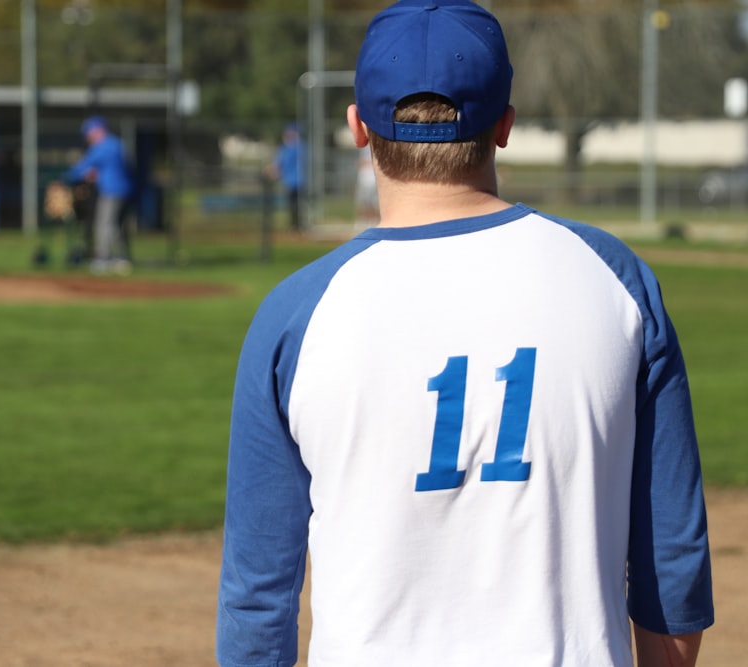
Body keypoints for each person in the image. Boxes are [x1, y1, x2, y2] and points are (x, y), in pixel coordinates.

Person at [216, 2, 714, 666]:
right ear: (505, 124)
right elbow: (671, 570)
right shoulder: (616, 280)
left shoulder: (297, 314)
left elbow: (258, 602)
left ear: (357, 128)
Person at [62, 116, 133, 274]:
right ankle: (121, 259)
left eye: (90, 133)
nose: (89, 137)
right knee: (115, 225)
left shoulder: (104, 146)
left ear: (98, 130)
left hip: (112, 190)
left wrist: (64, 177)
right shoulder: (117, 144)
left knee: (104, 224)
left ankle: (103, 259)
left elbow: (83, 167)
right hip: (123, 189)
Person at [267, 122, 306, 232]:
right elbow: (278, 165)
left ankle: (296, 225)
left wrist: (273, 171)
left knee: (295, 204)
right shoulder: (292, 148)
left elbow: (278, 165)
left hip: (296, 180)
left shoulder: (294, 148)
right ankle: (296, 225)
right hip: (292, 180)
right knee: (295, 204)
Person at [353, 143, 378, 229]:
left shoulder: (376, 147)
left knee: (372, 202)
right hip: (363, 177)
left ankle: (372, 222)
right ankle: (361, 221)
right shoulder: (363, 147)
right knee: (362, 201)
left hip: (372, 179)